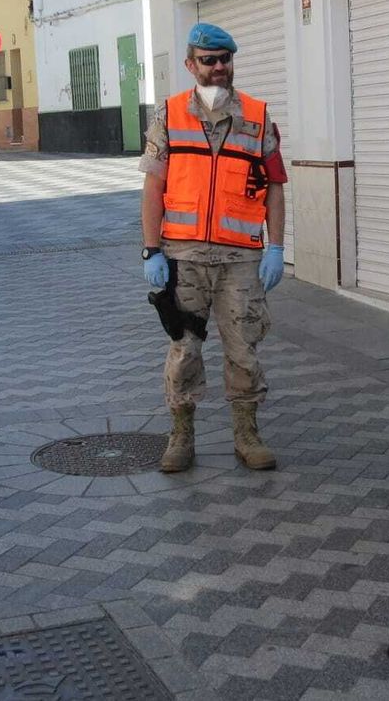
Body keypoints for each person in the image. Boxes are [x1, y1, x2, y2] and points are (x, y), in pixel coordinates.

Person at [139, 23, 289, 473]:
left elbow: (276, 188)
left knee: (243, 348)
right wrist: (151, 251)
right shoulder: (168, 116)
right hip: (183, 258)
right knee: (185, 350)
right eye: (209, 59)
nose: (219, 67)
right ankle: (181, 437)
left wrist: (276, 246)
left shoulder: (259, 116)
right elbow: (153, 187)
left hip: (240, 260)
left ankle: (247, 435)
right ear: (191, 65)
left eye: (225, 59)